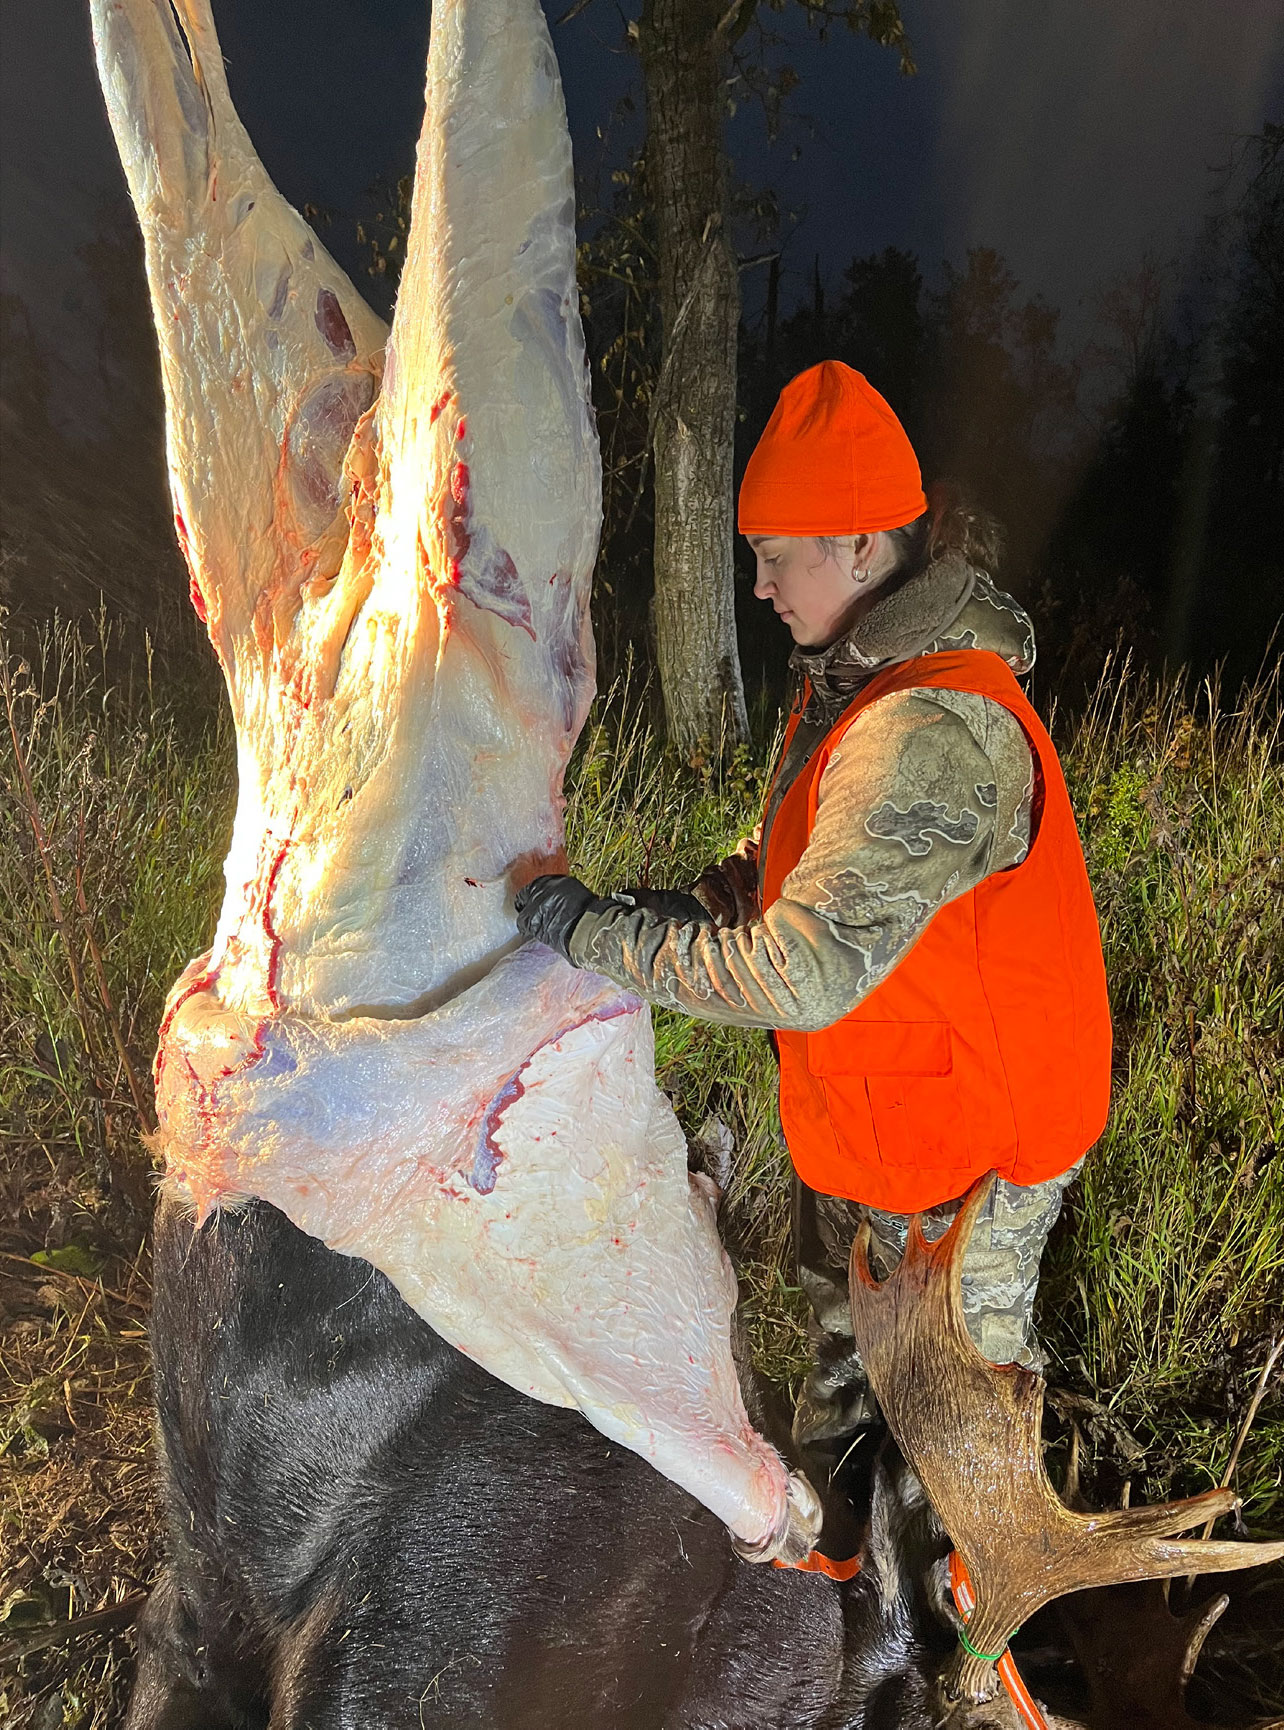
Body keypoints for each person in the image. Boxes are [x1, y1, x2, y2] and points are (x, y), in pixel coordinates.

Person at [515, 360, 1111, 1468]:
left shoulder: (929, 725)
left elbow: (806, 971)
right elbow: (808, 855)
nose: (759, 585)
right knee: (847, 1420)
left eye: (775, 555)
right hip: (878, 1128)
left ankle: (968, 1636)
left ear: (860, 546)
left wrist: (592, 935)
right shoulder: (851, 679)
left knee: (948, 1451)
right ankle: (840, 1599)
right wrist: (710, 894)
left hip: (964, 1163)